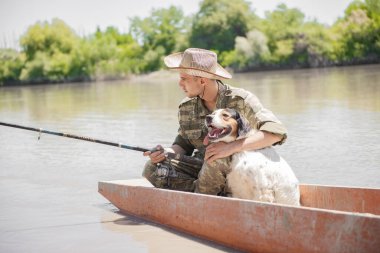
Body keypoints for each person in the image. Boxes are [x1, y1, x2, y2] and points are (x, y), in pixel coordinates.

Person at [142, 48, 287, 195]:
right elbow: (183, 144)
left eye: (184, 78)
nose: (180, 83)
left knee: (217, 157)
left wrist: (230, 148)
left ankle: (205, 197)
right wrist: (165, 152)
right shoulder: (186, 107)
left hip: (238, 167)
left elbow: (276, 133)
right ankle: (207, 194)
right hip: (202, 165)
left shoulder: (241, 100)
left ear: (202, 80)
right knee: (153, 167)